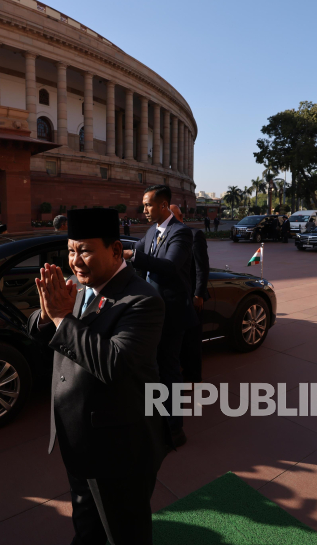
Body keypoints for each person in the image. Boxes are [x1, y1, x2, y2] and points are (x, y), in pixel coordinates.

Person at [28, 208, 169, 545]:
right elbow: (38, 326)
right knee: (87, 528)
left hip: (119, 450)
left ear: (116, 251)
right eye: (71, 250)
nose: (76, 261)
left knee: (124, 532)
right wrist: (48, 315)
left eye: (85, 251)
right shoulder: (76, 286)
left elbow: (113, 364)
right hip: (77, 440)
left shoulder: (142, 300)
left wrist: (62, 318)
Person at [123, 185, 194, 447]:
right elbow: (138, 252)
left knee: (169, 370)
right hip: (152, 312)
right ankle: (157, 419)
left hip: (173, 314)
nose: (144, 210)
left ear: (163, 205)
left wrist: (132, 256)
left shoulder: (182, 233)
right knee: (153, 368)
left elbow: (168, 267)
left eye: (148, 205)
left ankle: (175, 429)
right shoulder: (152, 230)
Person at [170, 205, 210, 384]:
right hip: (177, 298)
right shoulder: (169, 236)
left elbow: (202, 268)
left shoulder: (195, 235)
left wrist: (198, 295)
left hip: (193, 298)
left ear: (179, 217)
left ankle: (194, 378)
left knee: (193, 342)